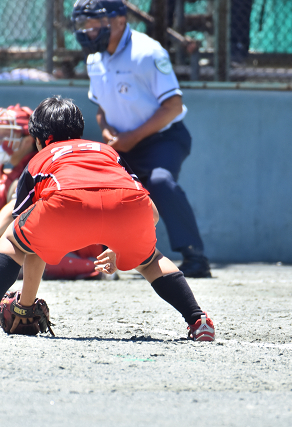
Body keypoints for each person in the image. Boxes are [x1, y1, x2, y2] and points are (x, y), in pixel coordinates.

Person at [0, 96, 215, 342]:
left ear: (38, 139)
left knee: (16, 238)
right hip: (132, 209)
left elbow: (29, 233)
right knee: (151, 260)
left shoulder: (39, 158)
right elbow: (152, 213)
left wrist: (22, 307)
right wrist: (121, 246)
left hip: (66, 205)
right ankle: (198, 320)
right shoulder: (107, 152)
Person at [71, 0, 211, 278]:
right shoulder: (94, 59)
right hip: (122, 141)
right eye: (84, 25)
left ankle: (195, 257)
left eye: (95, 23)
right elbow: (101, 108)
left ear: (120, 21)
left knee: (160, 182)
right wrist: (109, 132)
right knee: (102, 188)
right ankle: (107, 256)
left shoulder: (147, 52)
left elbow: (172, 105)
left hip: (164, 139)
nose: (88, 31)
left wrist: (131, 138)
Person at [0, 105, 110, 280]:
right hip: (63, 235)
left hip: (85, 241)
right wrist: (1, 176)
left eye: (5, 135)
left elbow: (17, 206)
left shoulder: (39, 162)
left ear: (28, 141)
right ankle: (9, 252)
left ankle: (94, 267)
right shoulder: (20, 168)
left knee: (20, 257)